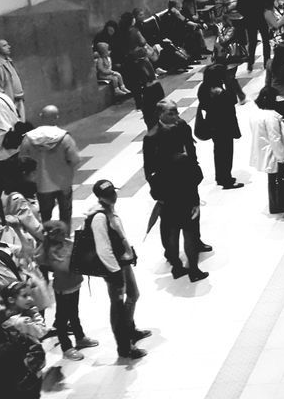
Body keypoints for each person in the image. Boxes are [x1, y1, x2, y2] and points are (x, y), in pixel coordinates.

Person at [142, 100, 208, 282]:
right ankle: (181, 265)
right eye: (171, 113)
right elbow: (149, 170)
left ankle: (185, 260)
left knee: (189, 227)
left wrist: (195, 172)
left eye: (176, 112)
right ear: (160, 114)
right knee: (176, 229)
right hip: (169, 189)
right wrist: (157, 193)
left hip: (186, 183)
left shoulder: (182, 127)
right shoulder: (152, 137)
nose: (176, 116)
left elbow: (191, 151)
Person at [86, 180, 149, 359]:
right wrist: (114, 274)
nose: (113, 196)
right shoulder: (99, 217)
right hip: (114, 268)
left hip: (123, 262)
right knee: (118, 306)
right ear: (100, 197)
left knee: (133, 295)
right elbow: (103, 249)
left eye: (113, 192)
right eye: (109, 194)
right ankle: (124, 346)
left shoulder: (109, 210)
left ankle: (130, 330)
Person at [37, 219, 96, 360]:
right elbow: (63, 267)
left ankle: (80, 337)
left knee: (74, 313)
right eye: (61, 233)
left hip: (75, 284)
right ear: (53, 235)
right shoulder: (51, 250)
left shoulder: (66, 243)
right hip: (63, 288)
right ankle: (66, 347)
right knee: (62, 319)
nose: (65, 234)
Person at [17, 106, 80, 226]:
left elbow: (22, 160)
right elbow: (75, 159)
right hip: (63, 183)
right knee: (65, 214)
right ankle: (65, 238)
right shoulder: (65, 137)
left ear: (41, 116)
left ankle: (47, 239)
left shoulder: (28, 138)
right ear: (56, 117)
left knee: (45, 215)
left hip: (41, 184)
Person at [196, 64, 245, 190]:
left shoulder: (203, 87)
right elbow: (232, 101)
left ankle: (221, 177)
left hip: (213, 123)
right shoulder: (219, 92)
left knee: (219, 152)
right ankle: (226, 179)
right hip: (223, 125)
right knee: (226, 152)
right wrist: (229, 85)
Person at [250, 87, 284, 215]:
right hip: (273, 153)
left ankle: (277, 204)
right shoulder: (271, 117)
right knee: (278, 179)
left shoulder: (256, 114)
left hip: (263, 151)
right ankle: (279, 204)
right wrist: (281, 158)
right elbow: (275, 138)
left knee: (273, 179)